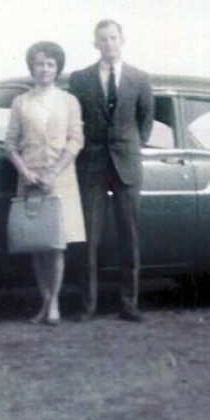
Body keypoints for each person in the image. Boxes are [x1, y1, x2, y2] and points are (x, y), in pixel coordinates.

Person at [69, 20, 154, 322]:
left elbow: (146, 120)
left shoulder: (140, 78)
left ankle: (129, 304)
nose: (109, 44)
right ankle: (87, 306)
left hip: (127, 165)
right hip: (91, 164)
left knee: (129, 236)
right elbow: (73, 119)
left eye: (113, 38)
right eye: (102, 39)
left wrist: (132, 145)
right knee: (88, 237)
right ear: (95, 44)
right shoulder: (79, 79)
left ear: (122, 40)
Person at [5, 41, 86, 324]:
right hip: (30, 178)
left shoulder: (69, 101)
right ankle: (44, 302)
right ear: (32, 67)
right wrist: (25, 171)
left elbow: (76, 140)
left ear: (57, 68)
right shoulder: (21, 102)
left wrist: (55, 172)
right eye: (39, 63)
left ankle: (54, 305)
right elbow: (10, 144)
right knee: (37, 244)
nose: (44, 69)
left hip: (60, 178)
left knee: (56, 244)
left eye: (50, 64)